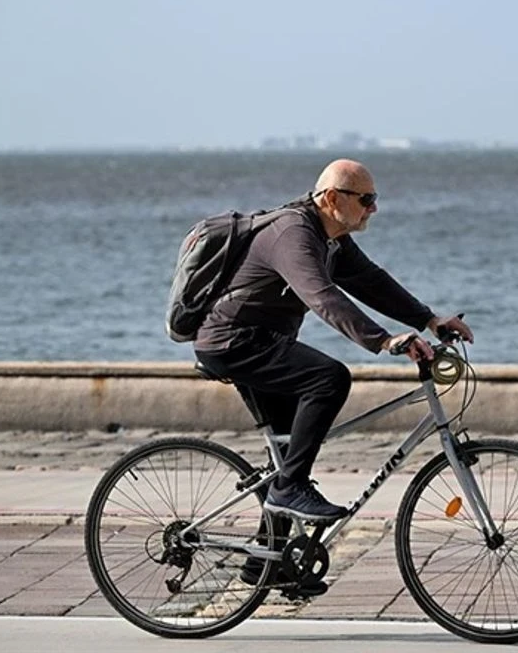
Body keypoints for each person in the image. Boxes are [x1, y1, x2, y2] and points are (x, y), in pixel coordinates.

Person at [193, 159, 473, 524]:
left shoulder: (333, 239)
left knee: (290, 452)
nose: (374, 208)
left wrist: (430, 320)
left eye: (375, 198)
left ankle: (269, 561)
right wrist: (385, 341)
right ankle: (289, 489)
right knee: (329, 379)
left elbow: (372, 281)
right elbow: (322, 297)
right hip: (233, 342)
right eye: (366, 198)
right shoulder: (293, 234)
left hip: (263, 341)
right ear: (330, 198)